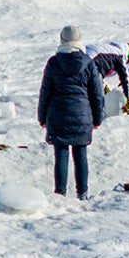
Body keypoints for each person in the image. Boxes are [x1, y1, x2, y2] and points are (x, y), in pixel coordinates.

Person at [37, 25, 104, 199]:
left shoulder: (53, 62)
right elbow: (96, 94)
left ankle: (60, 193)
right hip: (82, 116)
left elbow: (45, 92)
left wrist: (42, 117)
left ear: (62, 40)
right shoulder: (88, 63)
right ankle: (82, 193)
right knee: (80, 154)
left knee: (61, 155)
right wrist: (98, 118)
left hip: (57, 115)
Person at [84, 40, 129, 114]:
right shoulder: (120, 55)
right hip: (89, 67)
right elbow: (125, 79)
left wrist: (103, 86)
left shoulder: (106, 49)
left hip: (78, 62)